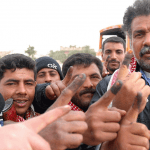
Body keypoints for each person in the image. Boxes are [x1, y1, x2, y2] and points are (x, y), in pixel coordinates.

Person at [91, 0, 150, 149]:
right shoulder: (109, 85)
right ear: (131, 40)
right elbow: (91, 142)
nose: (147, 41)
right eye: (139, 34)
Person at [0, 54, 39, 122]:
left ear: (35, 86)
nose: (22, 91)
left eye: (28, 84)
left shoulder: (44, 123)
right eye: (12, 84)